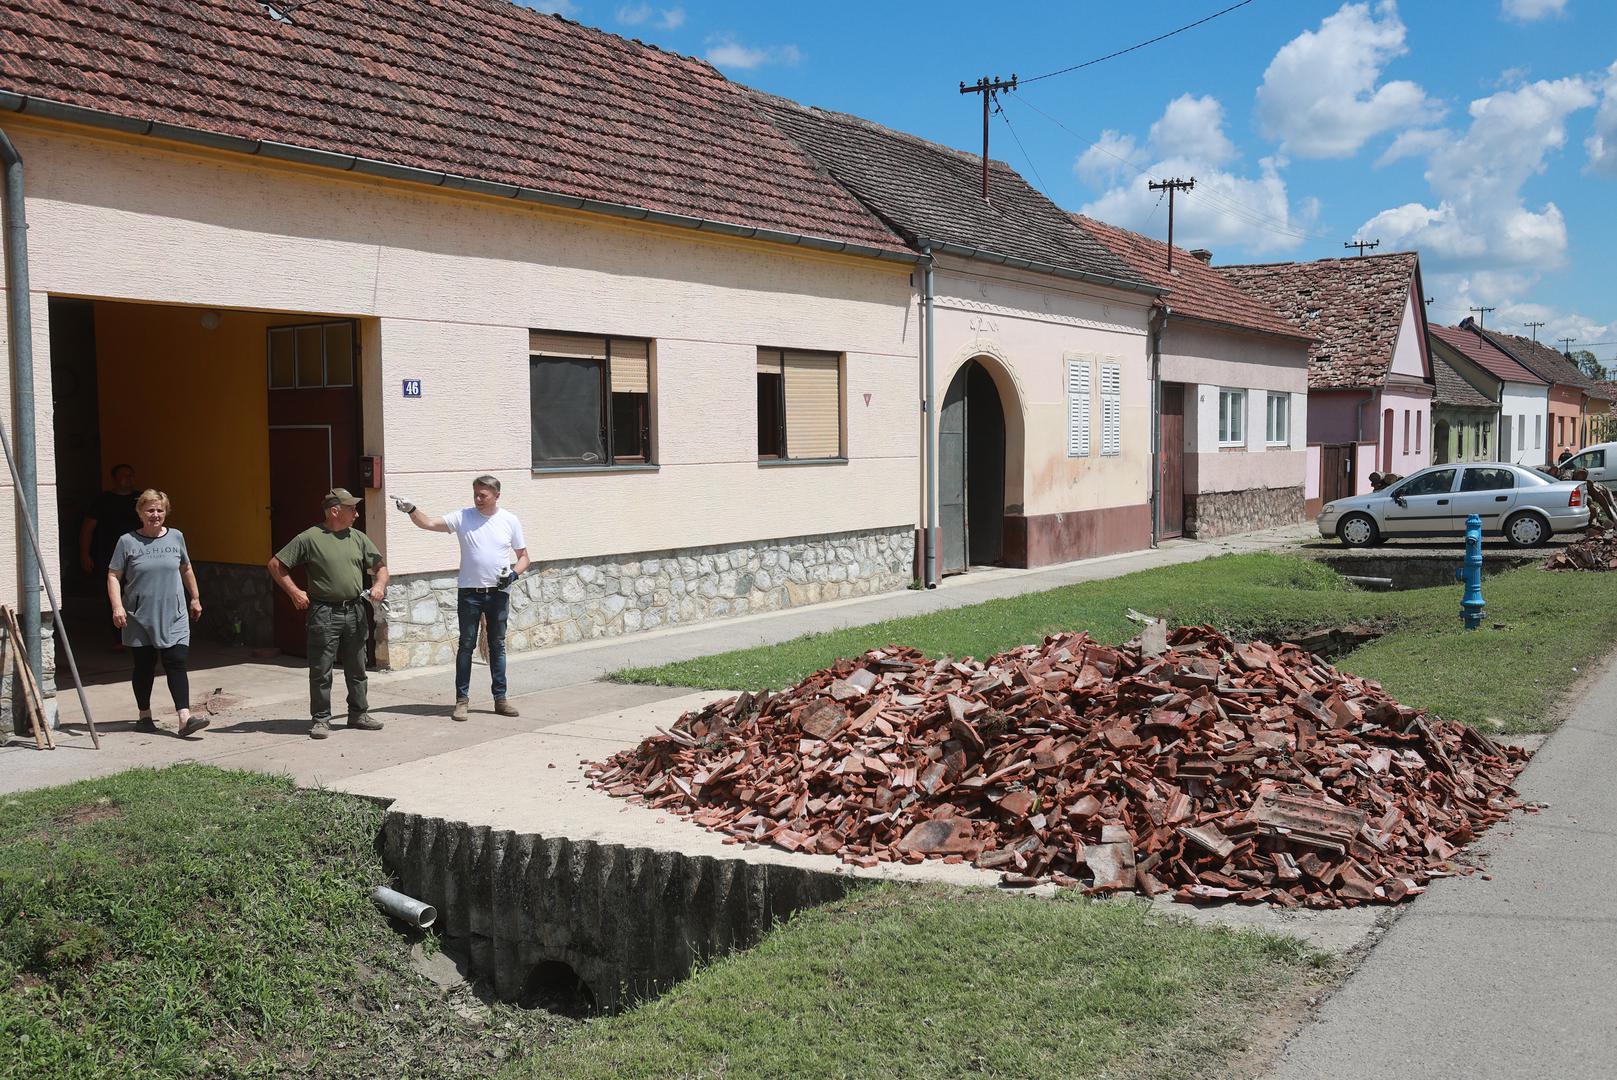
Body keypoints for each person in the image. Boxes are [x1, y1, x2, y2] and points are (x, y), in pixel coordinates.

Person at [394, 475, 529, 721]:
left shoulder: (509, 520)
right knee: (466, 645)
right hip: (469, 593)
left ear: (496, 496)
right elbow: (429, 523)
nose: (478, 499)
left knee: (497, 645)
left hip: (498, 593)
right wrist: (411, 509)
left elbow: (524, 557)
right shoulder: (463, 516)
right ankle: (461, 701)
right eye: (475, 494)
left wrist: (512, 575)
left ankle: (500, 699)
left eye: (483, 495)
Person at [267, 488, 389, 740]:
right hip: (324, 612)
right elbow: (276, 565)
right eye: (351, 509)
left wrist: (379, 585)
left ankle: (358, 714)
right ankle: (321, 719)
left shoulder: (358, 537)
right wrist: (294, 592)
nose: (356, 513)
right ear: (335, 511)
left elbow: (381, 567)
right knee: (321, 670)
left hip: (354, 610)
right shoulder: (309, 538)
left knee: (357, 667)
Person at [107, 489, 207, 737]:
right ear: (140, 512)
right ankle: (144, 716)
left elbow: (186, 568)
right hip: (140, 616)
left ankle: (184, 718)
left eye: (160, 510)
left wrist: (194, 598)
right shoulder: (127, 541)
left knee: (176, 661)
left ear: (166, 512)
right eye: (150, 510)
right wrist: (117, 606)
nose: (155, 515)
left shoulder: (176, 537)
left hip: (174, 613)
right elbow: (113, 575)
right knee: (144, 666)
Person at [81, 463, 141, 649]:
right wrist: (85, 554)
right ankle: (119, 639)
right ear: (114, 479)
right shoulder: (103, 500)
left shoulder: (140, 499)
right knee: (115, 597)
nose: (128, 478)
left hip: (138, 556)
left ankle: (140, 636)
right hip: (109, 555)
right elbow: (87, 529)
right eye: (123, 475)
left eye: (131, 475)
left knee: (139, 595)